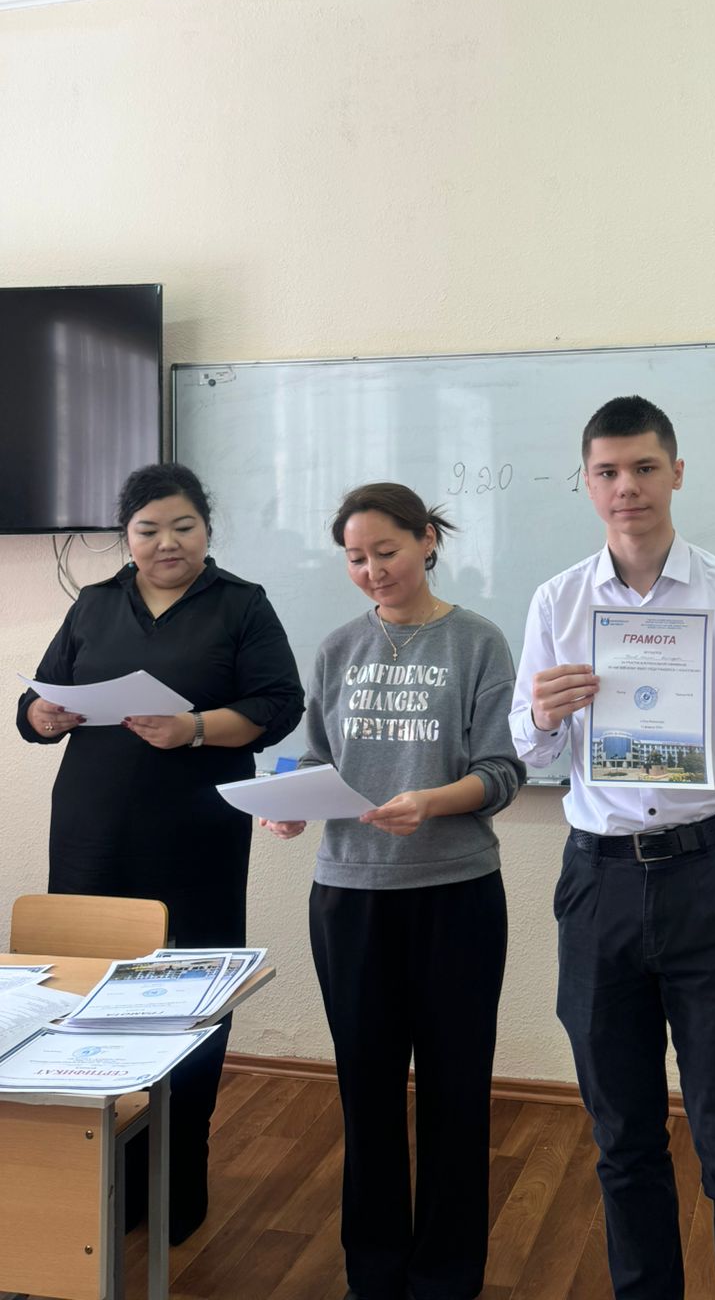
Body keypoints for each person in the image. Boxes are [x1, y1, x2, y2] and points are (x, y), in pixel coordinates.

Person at [510, 395, 715, 1300]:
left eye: (643, 468)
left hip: (706, 879)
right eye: (607, 472)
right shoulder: (558, 601)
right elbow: (531, 755)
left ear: (676, 472)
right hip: (596, 883)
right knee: (622, 1138)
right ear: (586, 482)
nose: (625, 487)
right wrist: (541, 717)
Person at [15, 461, 304, 1243]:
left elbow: (279, 704)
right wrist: (41, 715)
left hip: (195, 835)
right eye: (149, 529)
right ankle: (104, 1177)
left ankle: (178, 1180)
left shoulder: (241, 603)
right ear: (127, 535)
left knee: (189, 1001)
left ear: (206, 530)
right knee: (87, 999)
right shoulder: (95, 603)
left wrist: (197, 728)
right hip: (91, 836)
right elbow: (38, 697)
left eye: (183, 526)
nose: (166, 542)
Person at [261, 482, 523, 1300]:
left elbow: (504, 771)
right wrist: (291, 802)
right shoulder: (339, 647)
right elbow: (315, 756)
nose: (373, 570)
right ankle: (373, 1274)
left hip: (456, 893)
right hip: (350, 896)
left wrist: (433, 802)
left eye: (386, 551)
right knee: (366, 1093)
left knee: (456, 1092)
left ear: (426, 542)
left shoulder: (478, 642)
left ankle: (446, 1276)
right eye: (355, 558)